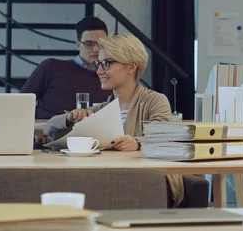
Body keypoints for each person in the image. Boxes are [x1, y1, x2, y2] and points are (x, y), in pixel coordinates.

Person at [43, 33, 185, 207]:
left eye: (107, 63)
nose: (99, 71)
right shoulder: (102, 109)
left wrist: (137, 143)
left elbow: (163, 139)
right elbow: (48, 130)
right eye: (98, 64)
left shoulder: (155, 101)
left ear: (131, 67)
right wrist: (69, 117)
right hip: (113, 180)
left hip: (148, 180)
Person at [21, 16, 112, 120]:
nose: (96, 49)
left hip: (93, 133)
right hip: (46, 132)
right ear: (78, 45)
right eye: (88, 44)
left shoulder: (110, 75)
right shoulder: (52, 67)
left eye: (101, 44)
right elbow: (21, 102)